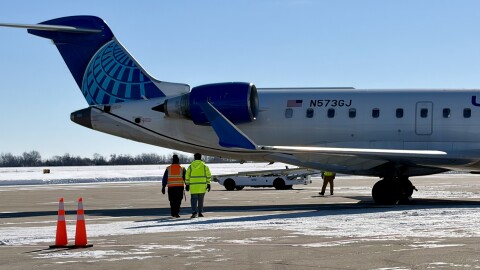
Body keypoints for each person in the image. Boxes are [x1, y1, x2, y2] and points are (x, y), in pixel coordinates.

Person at [185, 153, 211, 218]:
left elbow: (187, 176)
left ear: (194, 158)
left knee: (194, 200)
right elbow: (208, 175)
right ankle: (200, 212)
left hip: (193, 187)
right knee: (201, 200)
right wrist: (208, 184)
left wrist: (187, 184)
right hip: (202, 186)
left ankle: (194, 212)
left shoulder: (190, 166)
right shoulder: (205, 166)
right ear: (200, 157)